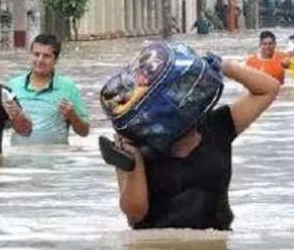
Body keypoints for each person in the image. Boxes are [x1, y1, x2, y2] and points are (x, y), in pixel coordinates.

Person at [112, 55, 280, 230]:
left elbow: (269, 89)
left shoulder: (218, 125)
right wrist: (134, 161)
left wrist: (226, 67)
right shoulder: (136, 140)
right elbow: (135, 213)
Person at [7, 34, 90, 145]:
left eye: (46, 56)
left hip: (55, 159)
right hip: (19, 159)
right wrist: (13, 115)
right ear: (30, 55)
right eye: (36, 54)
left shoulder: (68, 88)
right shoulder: (13, 86)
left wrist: (72, 115)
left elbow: (84, 132)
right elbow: (0, 126)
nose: (40, 60)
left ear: (56, 60)